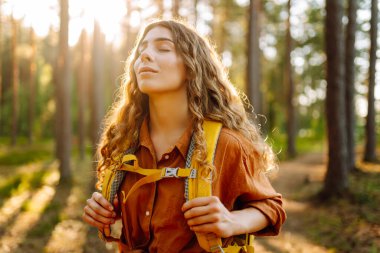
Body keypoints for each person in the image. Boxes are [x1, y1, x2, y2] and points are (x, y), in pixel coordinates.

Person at [82, 19, 286, 252]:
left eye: (163, 48)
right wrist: (107, 211)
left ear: (192, 66)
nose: (145, 55)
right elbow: (126, 223)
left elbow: (272, 207)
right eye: (141, 50)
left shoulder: (227, 144)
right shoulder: (124, 143)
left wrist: (232, 222)